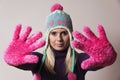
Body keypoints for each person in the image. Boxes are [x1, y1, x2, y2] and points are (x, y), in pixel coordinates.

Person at [3, 3, 117, 80]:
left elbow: (104, 60)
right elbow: (14, 61)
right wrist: (11, 56)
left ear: (70, 35)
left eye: (64, 33)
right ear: (48, 36)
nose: (59, 39)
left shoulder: (79, 60)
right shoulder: (37, 60)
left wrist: (107, 55)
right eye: (53, 33)